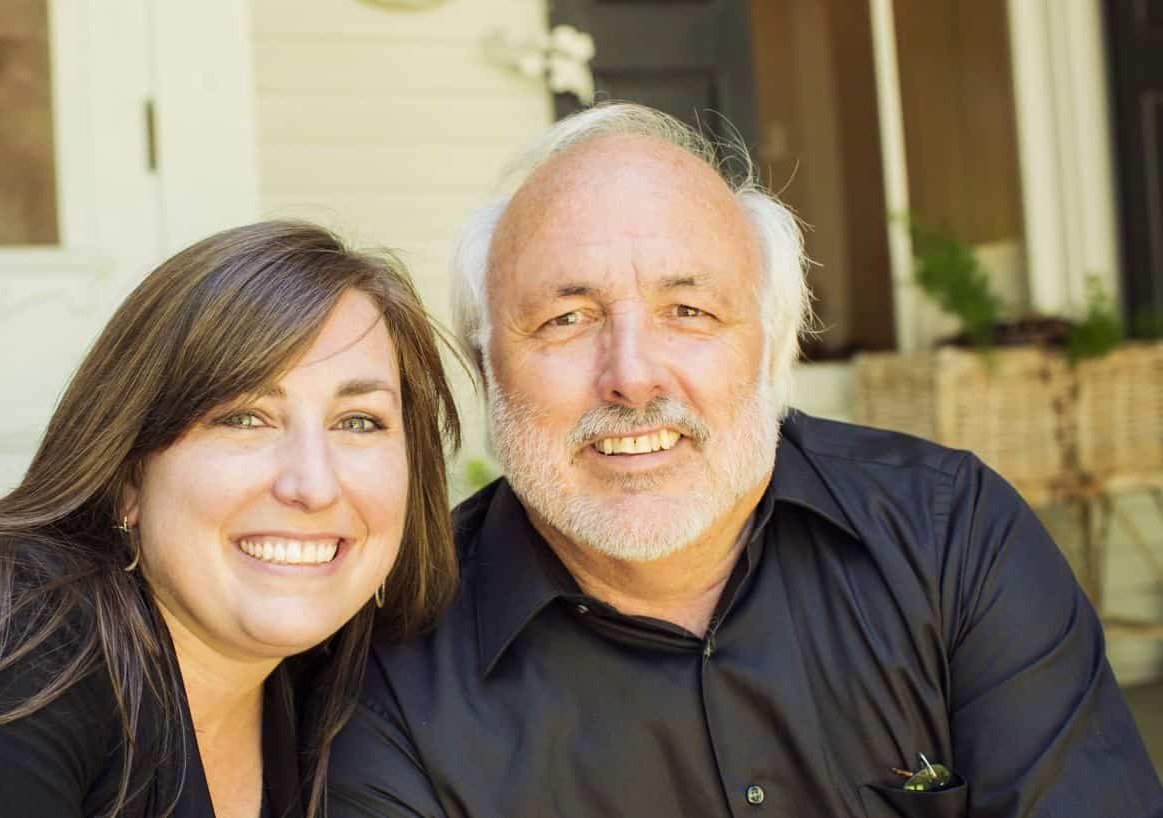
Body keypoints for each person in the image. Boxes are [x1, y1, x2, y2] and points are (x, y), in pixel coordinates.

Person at [327, 102, 1163, 817]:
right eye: (566, 320)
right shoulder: (394, 670)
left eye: (687, 309)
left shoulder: (951, 539)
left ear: (769, 346)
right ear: (485, 364)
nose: (630, 377)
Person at [0, 220, 462, 818]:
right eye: (243, 417)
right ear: (127, 475)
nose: (312, 483)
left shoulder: (332, 687)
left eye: (360, 423)